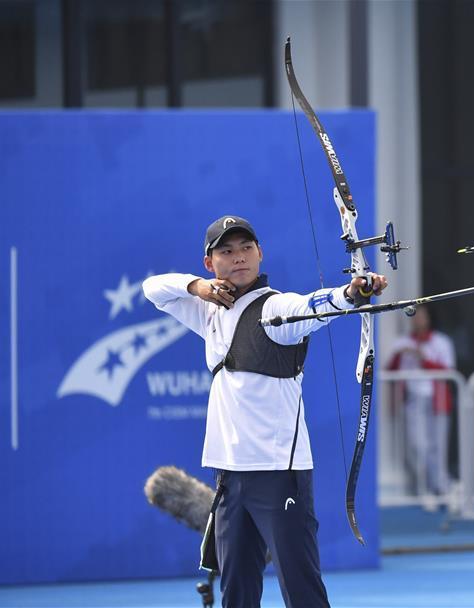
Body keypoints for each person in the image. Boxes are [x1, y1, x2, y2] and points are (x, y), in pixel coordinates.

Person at [142, 215, 388, 608]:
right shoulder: (208, 311)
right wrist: (197, 287)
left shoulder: (276, 308)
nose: (238, 257)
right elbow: (153, 289)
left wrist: (351, 293)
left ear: (260, 253)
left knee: (302, 588)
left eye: (246, 248)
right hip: (229, 475)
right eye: (226, 251)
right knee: (236, 592)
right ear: (209, 263)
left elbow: (313, 305)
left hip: (279, 475)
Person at [386, 305, 456, 509]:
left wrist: (423, 359)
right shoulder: (403, 343)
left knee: (438, 446)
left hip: (437, 400)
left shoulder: (441, 342)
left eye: (422, 316)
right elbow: (390, 369)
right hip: (413, 400)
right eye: (415, 317)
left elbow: (448, 371)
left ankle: (441, 487)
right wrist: (401, 354)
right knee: (417, 445)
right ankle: (429, 487)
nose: (418, 320)